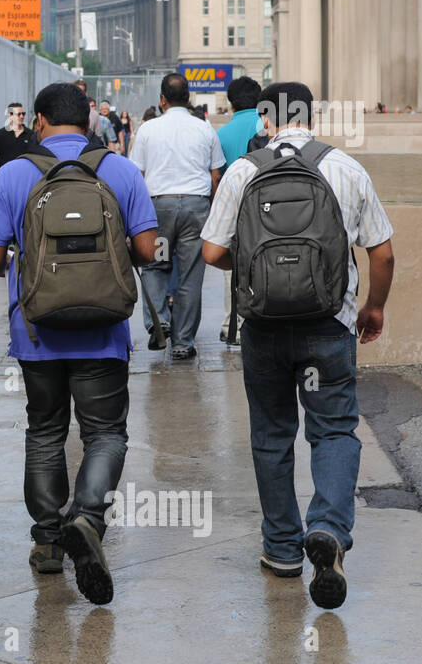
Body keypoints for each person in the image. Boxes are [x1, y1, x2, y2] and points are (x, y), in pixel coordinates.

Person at [201, 81, 395, 609]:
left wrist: (254, 269)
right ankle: (328, 529)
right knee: (333, 430)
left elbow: (212, 250)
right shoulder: (345, 167)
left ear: (265, 117)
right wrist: (372, 307)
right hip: (330, 323)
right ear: (312, 115)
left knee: (271, 434)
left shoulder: (245, 171)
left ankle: (282, 550)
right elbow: (382, 252)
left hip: (263, 326)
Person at [0, 82, 158, 602]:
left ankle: (50, 542)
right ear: (89, 121)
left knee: (45, 431)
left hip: (37, 333)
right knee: (105, 433)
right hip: (103, 332)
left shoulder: (14, 175)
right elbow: (147, 250)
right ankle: (88, 517)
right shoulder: (120, 170)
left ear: (38, 122)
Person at [128, 73, 226, 359]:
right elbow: (216, 175)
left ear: (162, 100)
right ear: (189, 99)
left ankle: (160, 323)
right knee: (190, 276)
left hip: (159, 209)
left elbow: (139, 175)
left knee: (156, 266)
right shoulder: (204, 128)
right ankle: (183, 343)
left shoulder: (148, 129)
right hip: (196, 208)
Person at [213, 76, 263, 345]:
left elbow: (216, 176)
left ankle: (230, 322)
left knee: (231, 266)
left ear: (231, 103)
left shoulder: (219, 134)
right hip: (267, 208)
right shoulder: (267, 126)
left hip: (235, 208)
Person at [0, 102, 40, 173]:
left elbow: (36, 156)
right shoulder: (1, 134)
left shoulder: (31, 134)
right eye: (19, 114)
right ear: (10, 115)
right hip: (5, 176)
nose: (22, 116)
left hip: (25, 175)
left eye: (23, 114)